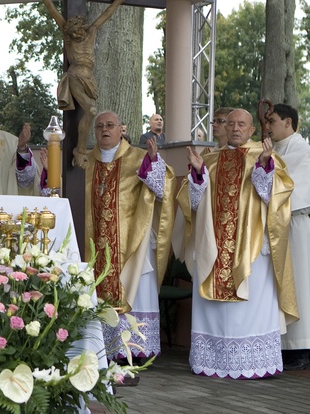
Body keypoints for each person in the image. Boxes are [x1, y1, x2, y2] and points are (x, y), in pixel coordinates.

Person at [173, 108, 298, 379]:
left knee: (252, 301)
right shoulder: (210, 159)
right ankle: (213, 361)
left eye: (242, 124)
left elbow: (275, 199)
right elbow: (193, 204)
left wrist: (265, 168)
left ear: (252, 130)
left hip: (250, 246)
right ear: (223, 128)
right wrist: (197, 176)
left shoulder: (264, 156)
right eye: (230, 124)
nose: (236, 128)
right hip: (214, 244)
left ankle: (251, 364)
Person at [84, 111, 175, 363]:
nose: (104, 130)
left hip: (131, 242)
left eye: (110, 125)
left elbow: (162, 192)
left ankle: (135, 349)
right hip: (94, 244)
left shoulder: (139, 157)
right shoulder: (85, 162)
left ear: (121, 129)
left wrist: (154, 163)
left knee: (135, 288)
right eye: (100, 126)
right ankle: (101, 347)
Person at [41, 0, 124, 168]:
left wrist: (117, 3)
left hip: (89, 80)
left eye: (79, 31)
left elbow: (106, 14)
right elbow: (53, 11)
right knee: (91, 110)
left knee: (90, 111)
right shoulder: (69, 38)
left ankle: (79, 149)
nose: (77, 35)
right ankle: (80, 149)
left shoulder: (91, 32)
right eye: (73, 33)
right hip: (74, 77)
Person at [266, 103, 310, 370]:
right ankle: (280, 345)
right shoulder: (274, 149)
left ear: (288, 122)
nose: (268, 126)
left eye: (272, 121)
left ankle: (301, 346)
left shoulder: (302, 150)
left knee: (300, 285)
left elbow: (290, 185)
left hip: (295, 225)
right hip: (274, 226)